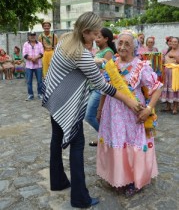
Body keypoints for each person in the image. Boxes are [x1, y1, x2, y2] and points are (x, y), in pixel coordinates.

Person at [41, 12, 141, 208]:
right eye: (94, 34)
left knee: (56, 139)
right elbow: (104, 86)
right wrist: (129, 101)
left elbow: (80, 62)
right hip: (68, 105)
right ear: (85, 32)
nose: (96, 38)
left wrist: (99, 61)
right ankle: (80, 198)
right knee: (77, 146)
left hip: (54, 98)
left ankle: (58, 181)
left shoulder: (66, 39)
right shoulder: (80, 53)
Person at [96, 30, 163, 197]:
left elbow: (157, 88)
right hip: (112, 113)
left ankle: (135, 180)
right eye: (120, 43)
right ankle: (118, 178)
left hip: (133, 115)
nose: (123, 46)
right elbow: (106, 89)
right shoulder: (111, 64)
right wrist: (99, 109)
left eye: (127, 44)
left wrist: (148, 109)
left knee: (132, 145)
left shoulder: (141, 66)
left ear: (135, 47)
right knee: (116, 142)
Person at [85, 27, 117, 147]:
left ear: (106, 39)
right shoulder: (98, 52)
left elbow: (106, 71)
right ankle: (104, 139)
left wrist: (94, 62)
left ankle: (107, 137)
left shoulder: (108, 52)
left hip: (100, 88)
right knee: (99, 117)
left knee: (89, 116)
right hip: (92, 87)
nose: (96, 39)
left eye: (99, 37)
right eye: (96, 36)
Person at [23, 31, 44, 101]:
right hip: (29, 66)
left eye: (33, 35)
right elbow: (24, 54)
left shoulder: (39, 44)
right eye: (31, 35)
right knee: (29, 81)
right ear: (28, 36)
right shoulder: (26, 44)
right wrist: (32, 59)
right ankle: (30, 95)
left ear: (35, 36)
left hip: (38, 66)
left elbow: (42, 53)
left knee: (40, 81)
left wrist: (36, 58)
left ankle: (40, 94)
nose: (32, 36)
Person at [160, 37, 179, 114]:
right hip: (167, 72)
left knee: (175, 89)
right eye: (172, 42)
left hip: (175, 72)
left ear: (178, 43)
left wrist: (175, 57)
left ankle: (175, 108)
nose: (173, 43)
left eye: (175, 42)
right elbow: (164, 60)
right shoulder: (168, 50)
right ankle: (168, 107)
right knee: (167, 88)